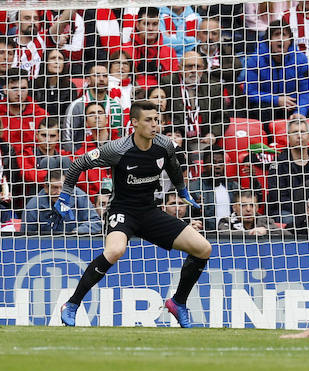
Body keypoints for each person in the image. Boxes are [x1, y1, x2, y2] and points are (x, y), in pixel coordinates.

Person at [56, 100, 209, 328]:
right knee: (115, 250)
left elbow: (173, 166)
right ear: (134, 122)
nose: (154, 124)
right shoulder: (117, 148)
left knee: (203, 248)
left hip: (149, 212)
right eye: (148, 120)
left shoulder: (164, 145)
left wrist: (182, 189)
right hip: (122, 211)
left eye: (157, 120)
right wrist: (64, 195)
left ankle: (178, 302)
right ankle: (72, 304)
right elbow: (78, 163)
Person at [244, 21, 309, 122]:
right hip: (267, 106)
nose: (280, 39)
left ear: (290, 41)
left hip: (292, 106)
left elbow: (305, 92)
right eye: (276, 35)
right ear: (269, 40)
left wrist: (300, 112)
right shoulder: (255, 60)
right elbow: (250, 92)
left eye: (284, 35)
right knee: (262, 109)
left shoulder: (301, 60)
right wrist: (277, 100)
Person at [161, 51, 229, 153]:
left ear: (203, 68)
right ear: (180, 68)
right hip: (176, 140)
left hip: (204, 142)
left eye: (198, 67)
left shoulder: (214, 87)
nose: (194, 70)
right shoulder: (167, 83)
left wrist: (213, 134)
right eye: (189, 66)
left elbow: (223, 117)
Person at [62, 63, 124, 153]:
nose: (102, 79)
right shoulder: (76, 106)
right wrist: (78, 160)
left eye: (105, 76)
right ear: (88, 80)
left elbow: (120, 139)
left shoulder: (116, 107)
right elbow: (67, 139)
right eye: (97, 75)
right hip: (81, 158)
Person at [268, 119, 309, 225]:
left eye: (302, 132)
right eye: (295, 132)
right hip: (286, 211)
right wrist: (303, 210)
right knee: (293, 221)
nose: (299, 136)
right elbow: (278, 197)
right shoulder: (278, 162)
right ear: (288, 137)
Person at [24, 169, 102, 235]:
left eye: (62, 187)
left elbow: (95, 222)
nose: (59, 192)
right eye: (55, 187)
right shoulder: (33, 206)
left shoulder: (80, 197)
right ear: (46, 188)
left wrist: (76, 232)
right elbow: (26, 235)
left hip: (75, 243)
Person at [189, 149, 241, 232]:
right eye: (213, 163)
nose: (217, 166)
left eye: (220, 163)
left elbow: (254, 202)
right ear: (205, 166)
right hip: (206, 236)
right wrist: (196, 210)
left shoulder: (233, 186)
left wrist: (253, 181)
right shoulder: (193, 188)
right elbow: (186, 215)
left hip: (231, 236)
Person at [0, 68, 48, 157]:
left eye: (23, 88)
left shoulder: (40, 115)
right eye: (14, 89)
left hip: (35, 164)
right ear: (5, 89)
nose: (19, 93)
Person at [217, 190, 288, 238]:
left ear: (257, 208)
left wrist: (266, 231)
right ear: (234, 208)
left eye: (252, 205)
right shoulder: (225, 221)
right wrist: (252, 233)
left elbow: (288, 235)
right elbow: (223, 235)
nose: (248, 209)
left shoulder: (265, 221)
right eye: (243, 205)